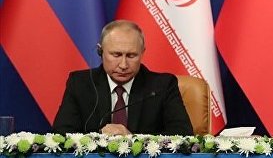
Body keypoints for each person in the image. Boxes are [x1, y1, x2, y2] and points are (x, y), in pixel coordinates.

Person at [52, 20, 193, 135]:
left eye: (131, 56)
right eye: (116, 55)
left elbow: (183, 134)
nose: (123, 65)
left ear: (142, 53)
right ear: (100, 51)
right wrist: (98, 138)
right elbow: (61, 134)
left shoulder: (163, 86)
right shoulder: (80, 83)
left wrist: (133, 139)